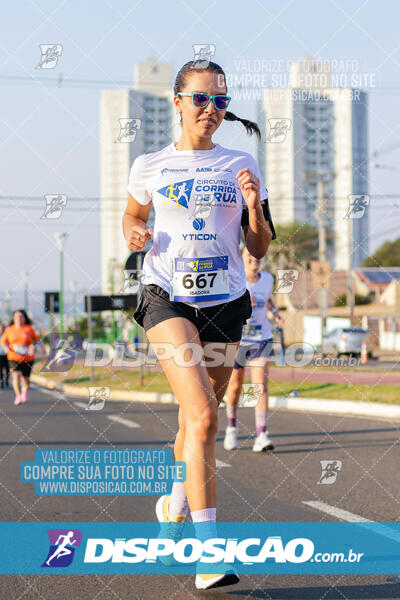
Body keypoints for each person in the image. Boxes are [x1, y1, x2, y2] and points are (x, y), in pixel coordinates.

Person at [123, 60, 276, 590]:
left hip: (227, 302)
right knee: (205, 418)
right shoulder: (150, 165)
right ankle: (209, 555)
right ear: (178, 101)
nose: (212, 109)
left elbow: (257, 246)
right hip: (167, 299)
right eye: (201, 99)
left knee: (196, 421)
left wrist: (254, 208)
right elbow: (132, 216)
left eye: (221, 101)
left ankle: (173, 506)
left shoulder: (241, 161)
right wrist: (135, 236)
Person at [224, 247, 283, 452]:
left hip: (262, 337)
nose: (253, 257)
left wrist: (276, 313)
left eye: (256, 254)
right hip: (238, 338)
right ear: (241, 259)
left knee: (260, 386)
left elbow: (268, 300)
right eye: (248, 254)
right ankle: (231, 427)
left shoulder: (267, 279)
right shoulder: (234, 278)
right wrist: (240, 305)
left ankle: (262, 434)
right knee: (234, 387)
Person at [0, 310, 39, 405]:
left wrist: (33, 346)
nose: (19, 318)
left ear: (24, 318)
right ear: (13, 318)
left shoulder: (29, 329)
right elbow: (3, 341)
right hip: (13, 357)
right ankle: (18, 395)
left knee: (26, 379)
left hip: (27, 358)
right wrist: (6, 348)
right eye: (17, 316)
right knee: (15, 375)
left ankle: (25, 391)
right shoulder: (9, 329)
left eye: (21, 316)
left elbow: (36, 340)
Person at [0, 324, 10, 389]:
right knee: (0, 369)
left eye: (2, 328)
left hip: (7, 355)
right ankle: (1, 382)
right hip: (0, 355)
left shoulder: (7, 336)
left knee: (7, 368)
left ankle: (6, 380)